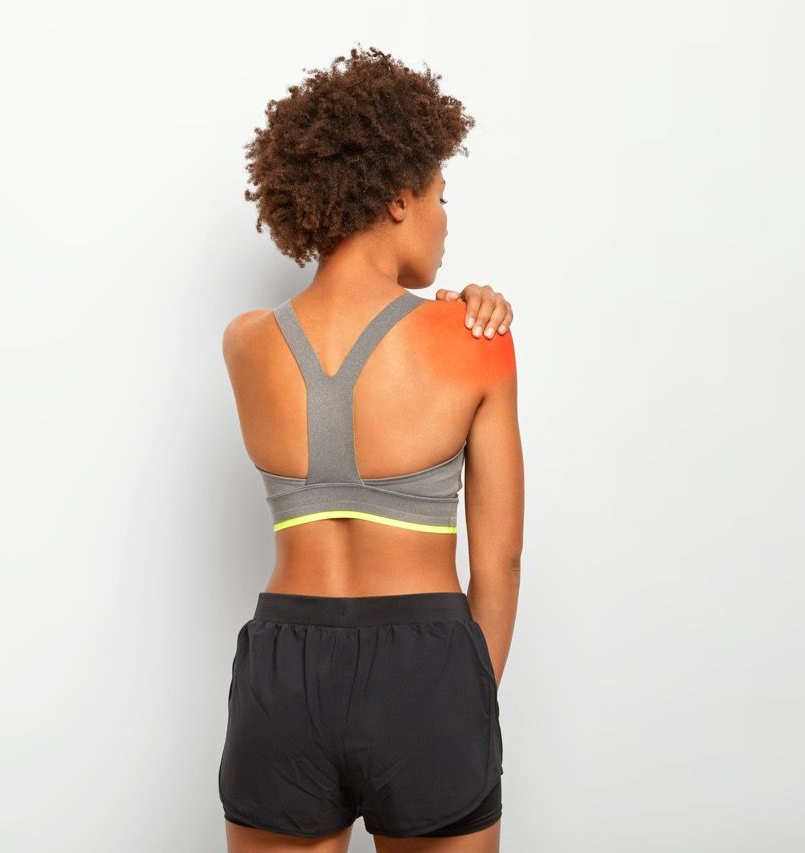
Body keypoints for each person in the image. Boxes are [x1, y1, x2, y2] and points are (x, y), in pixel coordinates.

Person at [218, 46, 524, 853]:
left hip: (283, 668)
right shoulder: (475, 339)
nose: (446, 220)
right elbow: (500, 564)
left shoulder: (245, 342)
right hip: (425, 663)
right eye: (440, 196)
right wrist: (460, 702)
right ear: (398, 199)